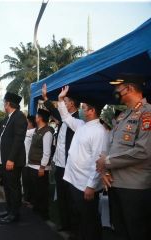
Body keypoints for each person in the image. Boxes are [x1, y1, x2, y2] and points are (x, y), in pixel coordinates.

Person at [96, 74, 151, 240]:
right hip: (114, 183)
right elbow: (112, 147)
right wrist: (104, 170)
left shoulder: (147, 113)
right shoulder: (122, 116)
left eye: (118, 88)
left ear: (130, 88)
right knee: (119, 230)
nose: (115, 92)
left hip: (134, 187)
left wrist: (107, 162)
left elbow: (144, 151)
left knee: (136, 232)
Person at [58, 86, 108, 240]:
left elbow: (98, 163)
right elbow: (66, 118)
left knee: (90, 220)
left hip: (86, 185)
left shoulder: (100, 132)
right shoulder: (81, 125)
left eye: (84, 108)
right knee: (79, 216)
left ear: (91, 111)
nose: (81, 110)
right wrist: (60, 100)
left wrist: (91, 186)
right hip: (74, 180)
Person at [42, 83, 79, 232]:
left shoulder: (77, 121)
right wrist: (45, 98)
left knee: (70, 198)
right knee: (62, 196)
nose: (63, 104)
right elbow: (53, 109)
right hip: (59, 164)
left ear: (72, 104)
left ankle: (73, 227)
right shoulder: (64, 119)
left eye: (66, 101)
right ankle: (64, 223)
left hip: (70, 165)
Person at [0, 92, 27, 224]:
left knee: (14, 188)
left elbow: (18, 140)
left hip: (12, 161)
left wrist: (11, 159)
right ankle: (9, 209)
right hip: (5, 160)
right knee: (7, 187)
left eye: (4, 102)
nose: (3, 105)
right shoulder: (9, 117)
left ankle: (14, 213)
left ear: (8, 103)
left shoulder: (19, 117)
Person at [28, 109, 54, 220]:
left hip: (40, 167)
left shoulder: (47, 132)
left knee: (42, 191)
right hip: (32, 165)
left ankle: (44, 213)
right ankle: (37, 208)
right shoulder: (37, 130)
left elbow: (46, 152)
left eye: (37, 116)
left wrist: (42, 167)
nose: (35, 118)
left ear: (40, 118)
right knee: (35, 190)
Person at [22, 115, 36, 206]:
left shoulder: (33, 132)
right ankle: (26, 197)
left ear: (30, 123)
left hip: (29, 161)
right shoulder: (27, 131)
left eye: (26, 122)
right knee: (24, 181)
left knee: (28, 182)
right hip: (24, 160)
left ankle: (28, 199)